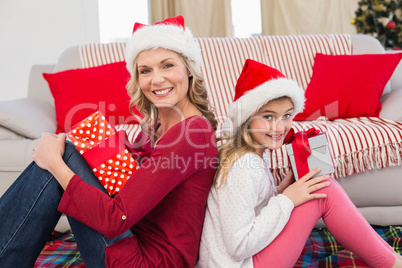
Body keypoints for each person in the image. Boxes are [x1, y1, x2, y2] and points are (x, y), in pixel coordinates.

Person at [0, 15, 218, 268]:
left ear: (189, 70)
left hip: (150, 261)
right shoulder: (160, 126)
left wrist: (54, 163)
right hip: (136, 238)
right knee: (73, 150)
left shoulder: (192, 132)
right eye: (145, 70)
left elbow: (116, 218)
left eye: (167, 65)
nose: (156, 79)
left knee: (63, 158)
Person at [197, 59, 402, 268]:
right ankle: (392, 263)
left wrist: (280, 192)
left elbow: (248, 210)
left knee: (319, 184)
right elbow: (239, 245)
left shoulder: (252, 155)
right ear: (246, 119)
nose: (279, 127)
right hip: (242, 264)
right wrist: (286, 200)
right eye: (268, 117)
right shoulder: (244, 166)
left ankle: (391, 259)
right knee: (324, 189)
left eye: (286, 116)